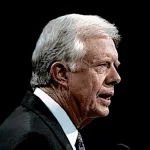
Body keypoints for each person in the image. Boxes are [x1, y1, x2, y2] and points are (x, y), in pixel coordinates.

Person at [0, 13, 121, 150]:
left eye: (115, 66)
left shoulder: (43, 128)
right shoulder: (32, 141)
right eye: (103, 65)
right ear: (61, 73)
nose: (116, 78)